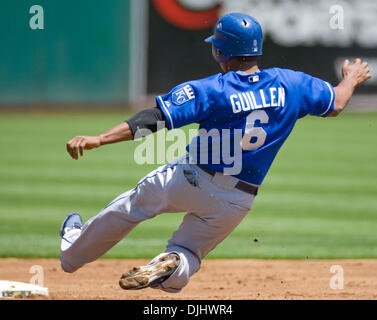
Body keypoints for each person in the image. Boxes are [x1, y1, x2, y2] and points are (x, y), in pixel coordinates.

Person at [60, 13, 371, 293]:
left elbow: (154, 121)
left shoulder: (212, 89)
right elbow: (336, 104)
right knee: (191, 251)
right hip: (239, 199)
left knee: (133, 205)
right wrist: (350, 78)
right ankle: (172, 263)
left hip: (191, 178)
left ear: (219, 51)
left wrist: (100, 139)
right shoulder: (292, 84)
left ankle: (73, 254)